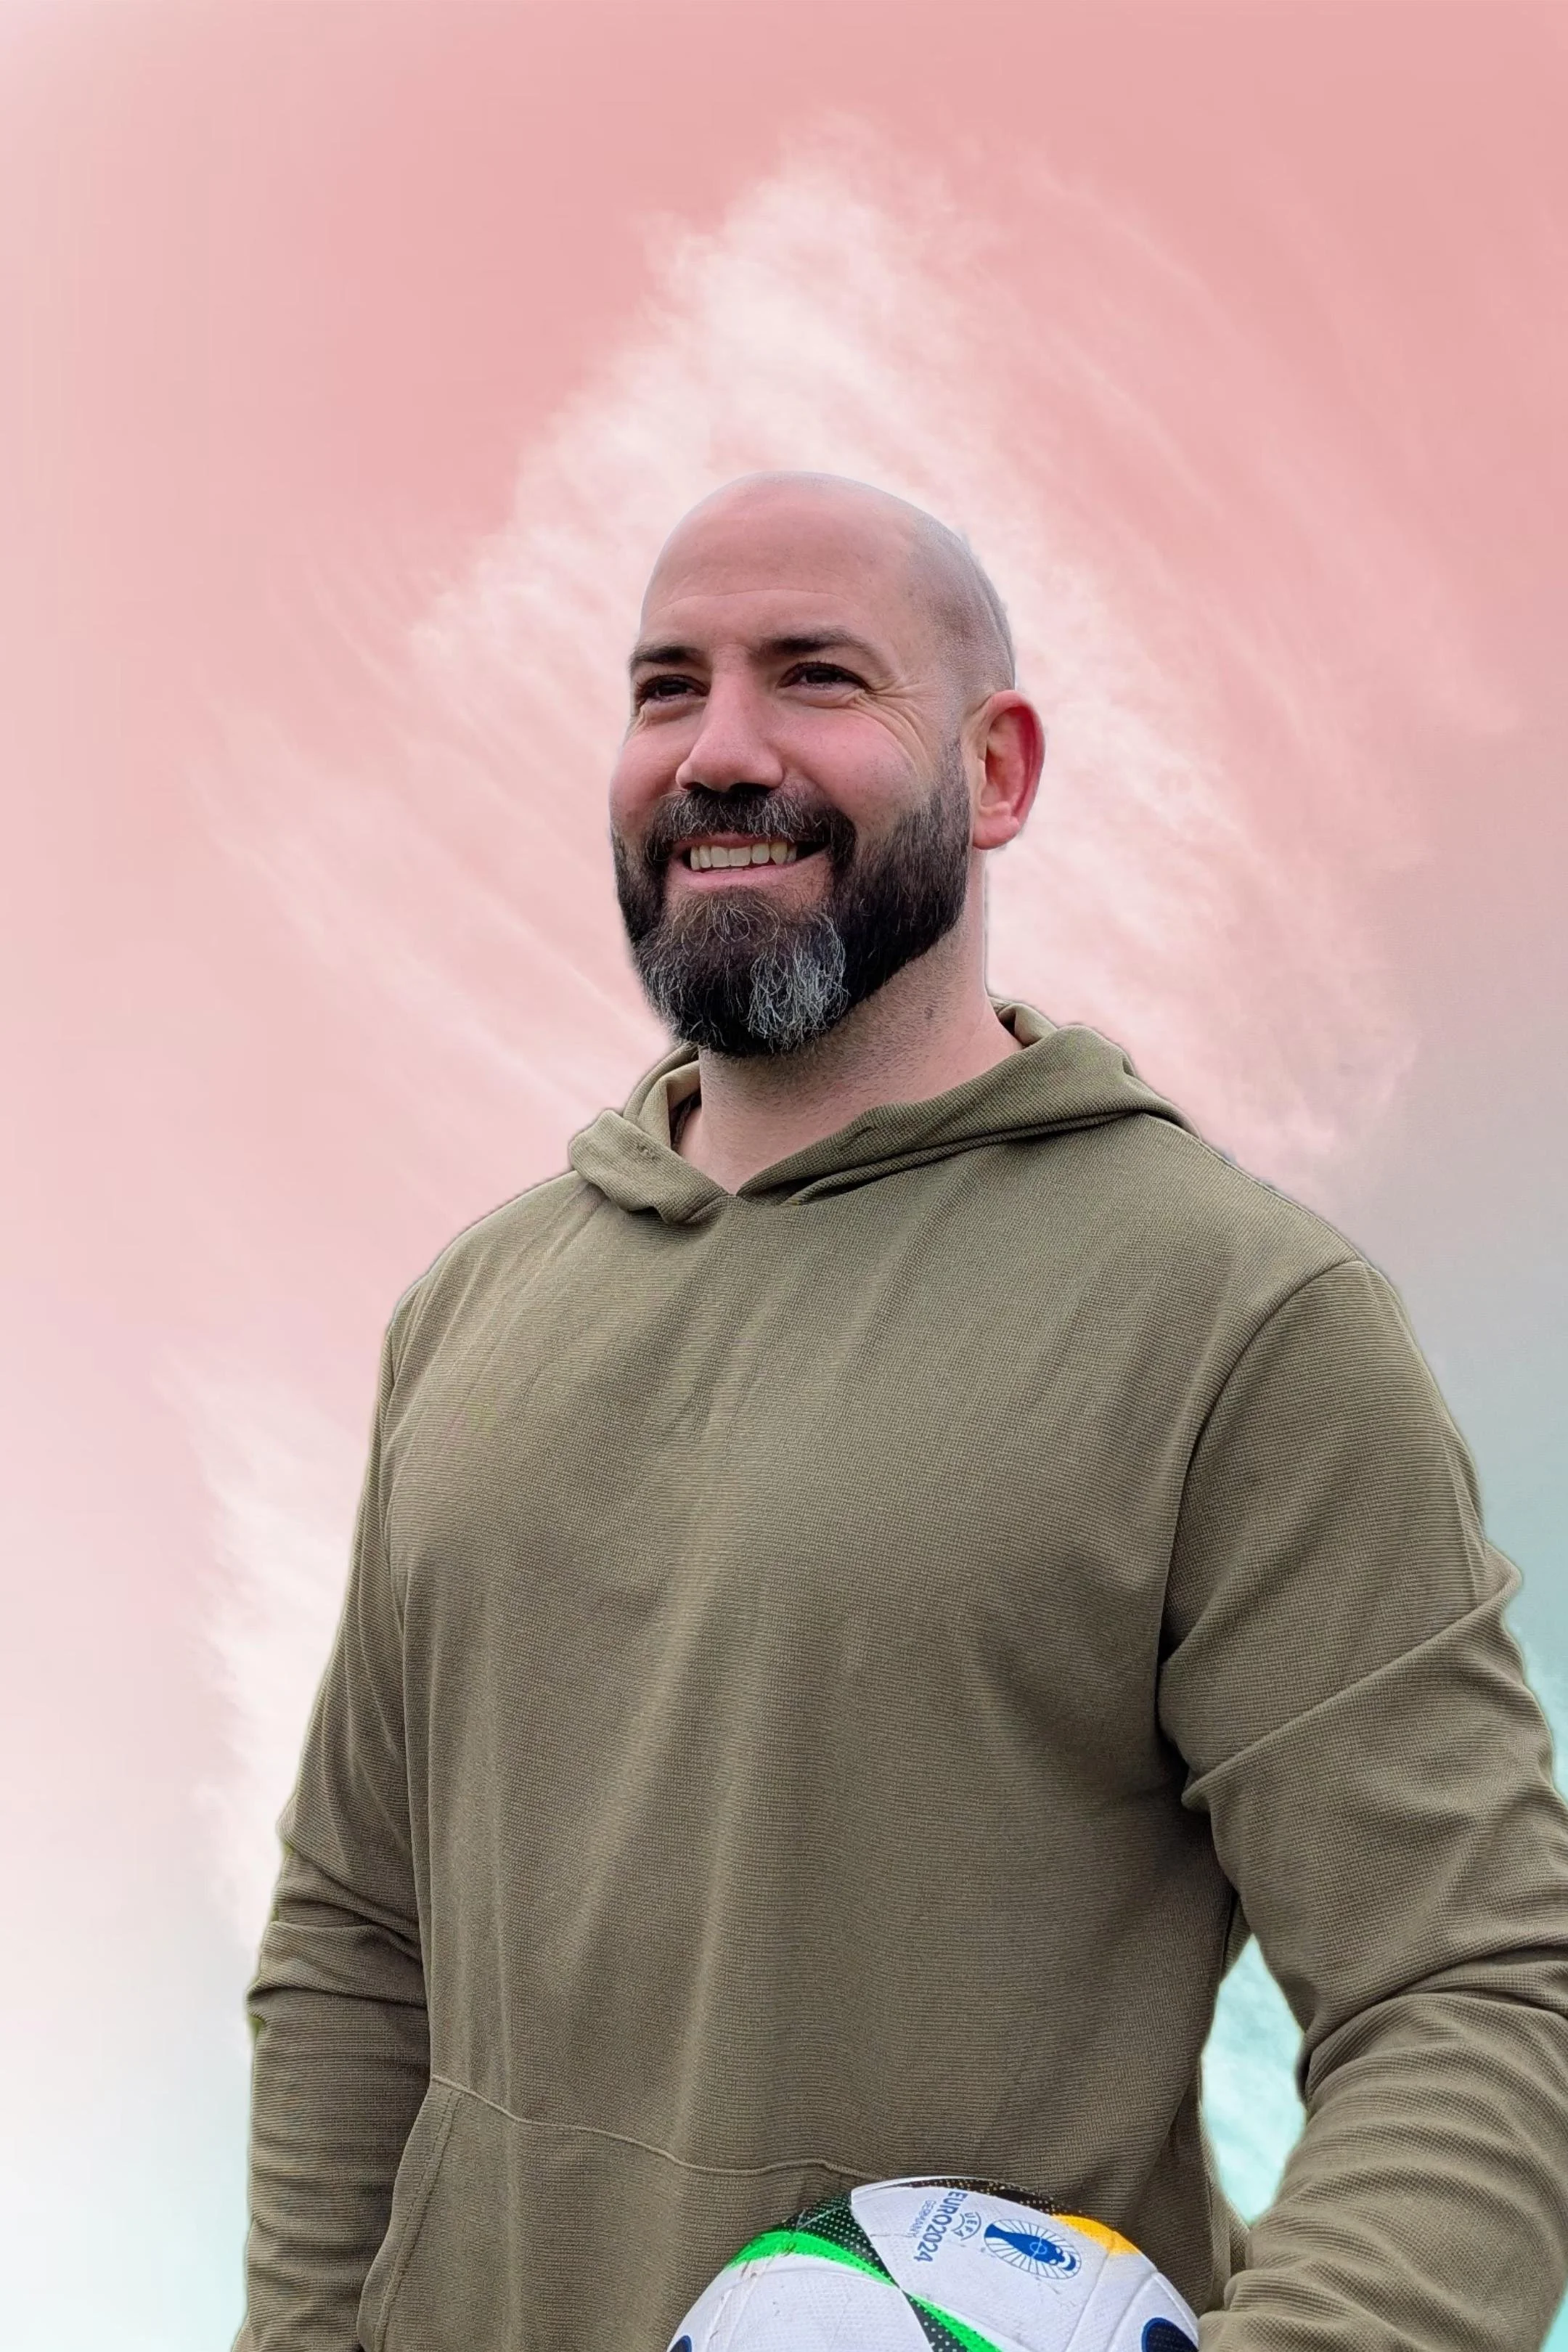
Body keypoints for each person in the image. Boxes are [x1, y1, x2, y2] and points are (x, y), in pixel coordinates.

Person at [237, 473, 1568, 2352]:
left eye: (817, 675)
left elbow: (1476, 1988)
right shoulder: (478, 1306)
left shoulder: (1236, 1320)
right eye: (665, 686)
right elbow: (359, 1945)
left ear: (996, 770)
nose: (719, 749)